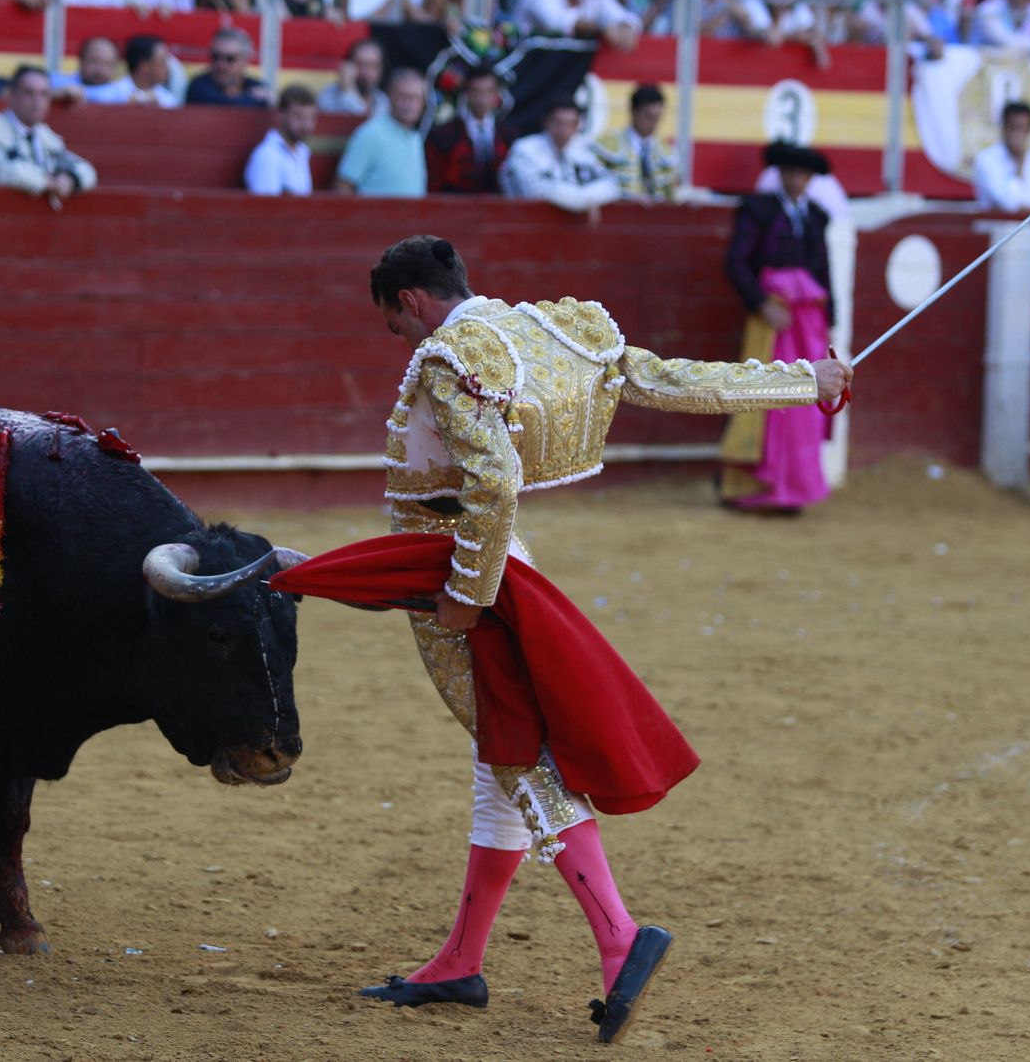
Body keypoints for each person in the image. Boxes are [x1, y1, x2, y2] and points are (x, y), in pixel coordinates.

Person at [355, 234, 849, 1042]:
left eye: (394, 325)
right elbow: (667, 378)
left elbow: (493, 481)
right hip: (509, 565)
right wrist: (806, 380)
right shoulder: (551, 330)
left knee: (520, 755)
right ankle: (461, 958)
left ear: (410, 301)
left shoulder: (450, 358)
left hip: (464, 575)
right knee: (500, 756)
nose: (402, 342)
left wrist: (463, 599)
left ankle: (619, 936)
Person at [719, 141, 835, 512]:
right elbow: (736, 263)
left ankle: (793, 490)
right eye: (790, 172)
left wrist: (830, 322)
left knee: (803, 401)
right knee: (762, 394)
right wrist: (761, 304)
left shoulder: (815, 216)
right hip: (771, 320)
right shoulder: (758, 210)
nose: (796, 180)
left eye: (802, 174)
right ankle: (747, 487)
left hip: (807, 322)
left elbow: (824, 273)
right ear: (780, 174)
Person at [0, 65, 98, 207]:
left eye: (44, 94)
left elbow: (85, 169)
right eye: (29, 93)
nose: (37, 102)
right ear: (11, 95)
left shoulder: (47, 137)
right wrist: (47, 182)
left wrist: (70, 179)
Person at [500, 97, 621, 215]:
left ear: (577, 125)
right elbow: (535, 190)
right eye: (558, 122)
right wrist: (583, 201)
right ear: (546, 122)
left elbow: (611, 184)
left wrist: (585, 199)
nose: (564, 130)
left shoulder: (583, 152)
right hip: (524, 222)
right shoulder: (524, 149)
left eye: (570, 123)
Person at [334, 68, 426, 197]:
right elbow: (343, 187)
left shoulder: (415, 138)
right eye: (404, 96)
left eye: (416, 98)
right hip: (374, 216)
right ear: (390, 96)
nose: (409, 104)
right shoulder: (370, 134)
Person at [425, 65, 513, 194]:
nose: (481, 98)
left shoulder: (509, 135)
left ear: (497, 94)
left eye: (488, 91)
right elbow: (433, 183)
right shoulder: (443, 136)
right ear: (466, 92)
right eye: (475, 91)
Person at [972, 101, 1030, 214]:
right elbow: (1008, 204)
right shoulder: (986, 160)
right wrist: (1020, 163)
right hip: (998, 228)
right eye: (1013, 127)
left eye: (1022, 128)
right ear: (1004, 127)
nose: (1017, 134)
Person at [593, 83, 680, 202]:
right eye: (648, 116)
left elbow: (672, 195)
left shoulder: (665, 151)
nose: (653, 124)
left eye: (657, 117)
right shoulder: (606, 146)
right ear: (633, 111)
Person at [245, 83, 317, 196]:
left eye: (310, 117)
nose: (306, 125)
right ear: (280, 115)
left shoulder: (302, 151)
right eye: (298, 116)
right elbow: (266, 209)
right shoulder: (267, 154)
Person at [512, 0, 642, 49]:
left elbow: (628, 18)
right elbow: (558, 22)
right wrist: (604, 28)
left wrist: (626, 27)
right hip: (524, 66)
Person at [184, 27, 269, 106]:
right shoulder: (198, 87)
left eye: (230, 59)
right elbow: (223, 105)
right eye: (216, 57)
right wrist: (253, 99)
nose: (221, 65)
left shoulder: (256, 86)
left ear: (245, 60)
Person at [91, 34, 178, 107]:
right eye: (162, 62)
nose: (167, 68)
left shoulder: (168, 101)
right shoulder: (113, 93)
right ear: (144, 66)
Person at [318, 38, 389, 119]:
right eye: (359, 64)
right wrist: (348, 88)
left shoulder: (382, 100)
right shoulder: (329, 95)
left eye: (373, 66)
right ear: (347, 66)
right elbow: (360, 123)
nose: (365, 73)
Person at [50, 36, 119, 103]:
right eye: (94, 61)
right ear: (81, 60)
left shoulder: (121, 91)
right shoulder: (56, 82)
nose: (100, 70)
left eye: (108, 64)